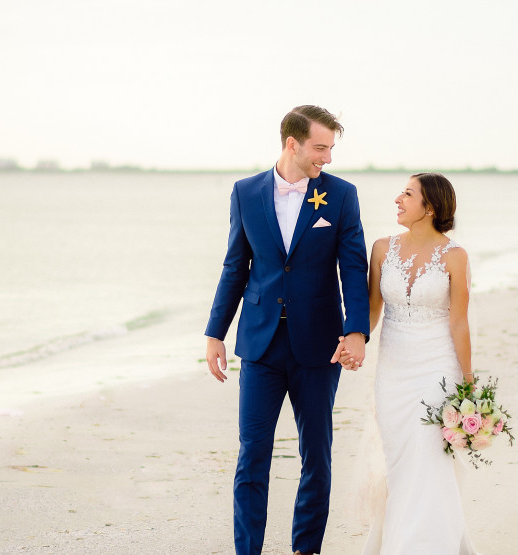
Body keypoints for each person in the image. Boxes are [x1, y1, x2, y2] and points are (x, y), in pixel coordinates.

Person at [204, 105, 370, 555]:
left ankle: (306, 549)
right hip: (259, 346)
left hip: (320, 346)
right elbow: (236, 265)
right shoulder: (245, 192)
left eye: (331, 148)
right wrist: (215, 332)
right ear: (291, 144)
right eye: (320, 148)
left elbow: (354, 267)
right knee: (251, 457)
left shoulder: (340, 195)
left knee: (316, 455)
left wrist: (357, 330)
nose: (328, 159)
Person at [340, 172, 479, 554]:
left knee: (430, 460)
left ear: (430, 207)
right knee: (400, 459)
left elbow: (458, 322)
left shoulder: (455, 256)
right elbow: (371, 311)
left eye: (407, 193)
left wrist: (468, 384)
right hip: (393, 373)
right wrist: (351, 340)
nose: (397, 199)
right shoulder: (383, 249)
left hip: (437, 369)